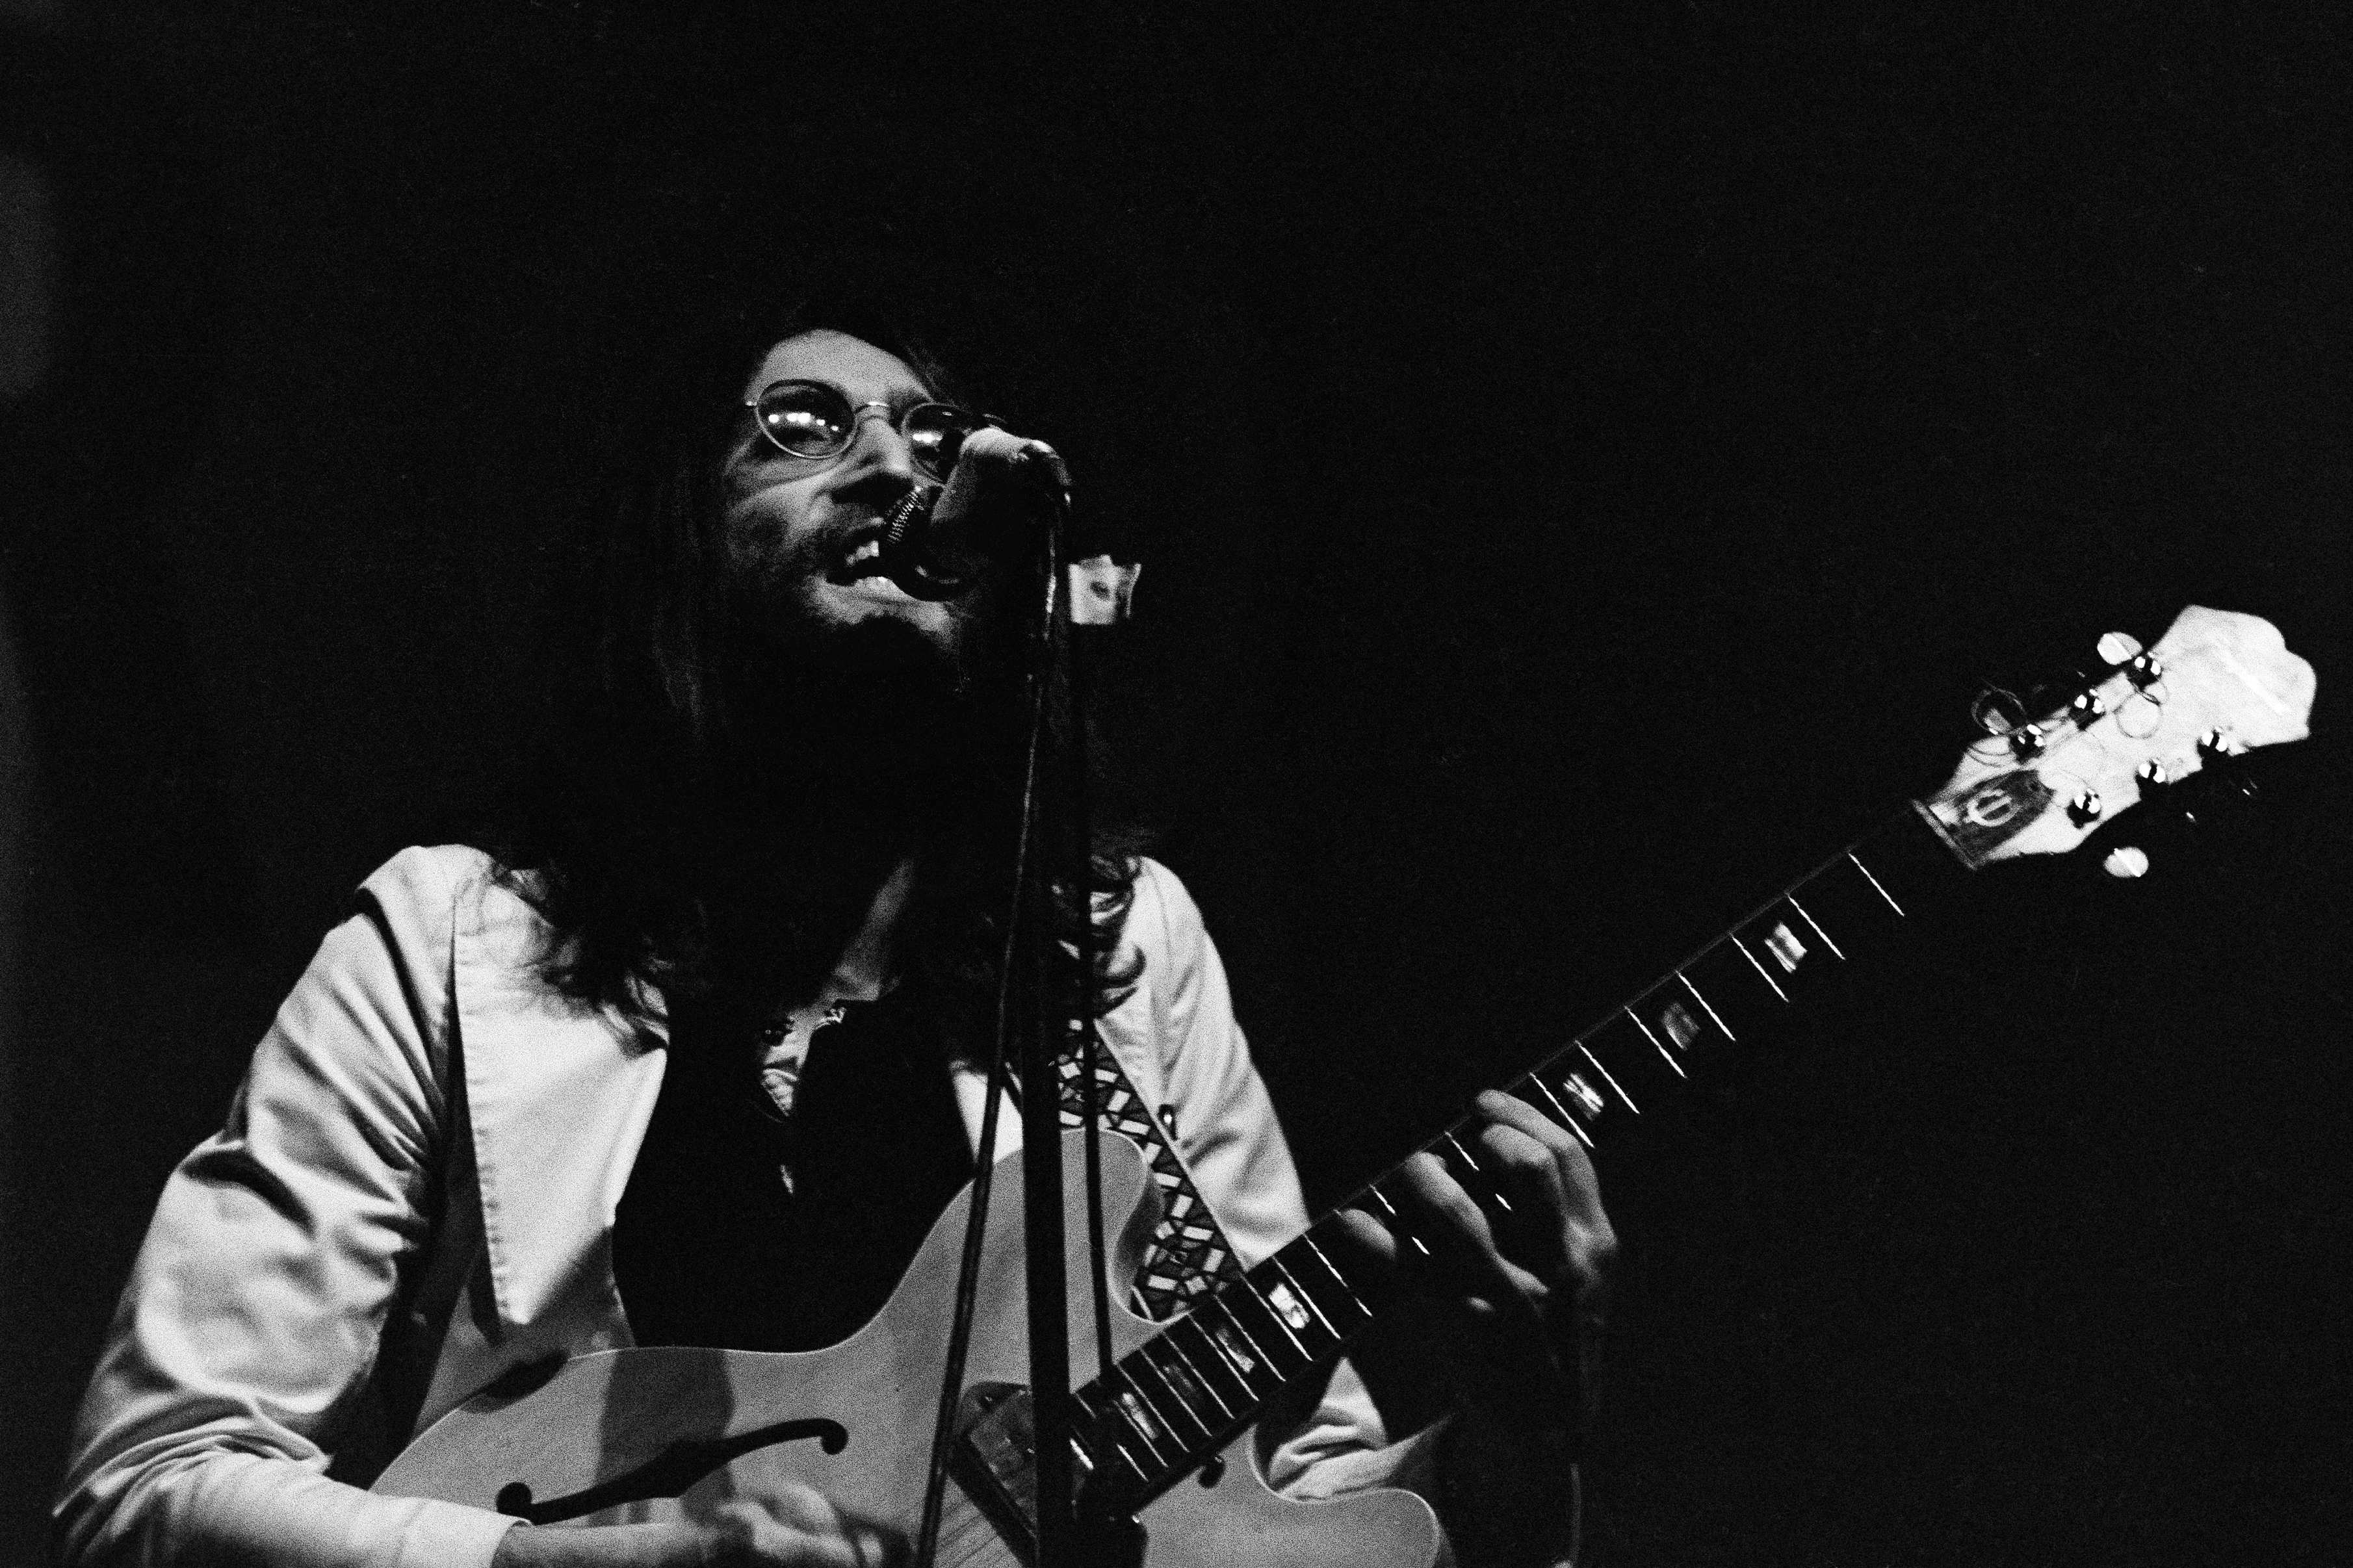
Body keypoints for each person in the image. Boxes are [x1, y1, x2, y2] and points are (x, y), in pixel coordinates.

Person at [54, 296, 1616, 1568]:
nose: (896, 469)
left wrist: (1515, 1445)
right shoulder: (438, 942)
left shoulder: (1122, 955)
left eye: (933, 438)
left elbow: (1309, 1495)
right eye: (803, 427)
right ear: (678, 539)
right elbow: (152, 1484)